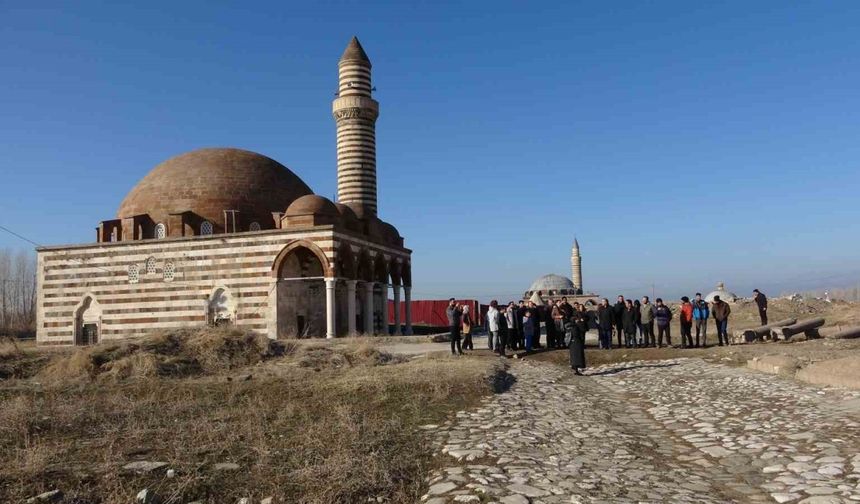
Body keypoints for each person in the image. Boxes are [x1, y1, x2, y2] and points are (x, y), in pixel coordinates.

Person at [569, 304, 588, 375]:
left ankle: (576, 369)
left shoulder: (579, 321)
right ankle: (576, 368)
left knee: (577, 355)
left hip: (577, 340)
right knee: (576, 356)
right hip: (575, 340)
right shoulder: (574, 320)